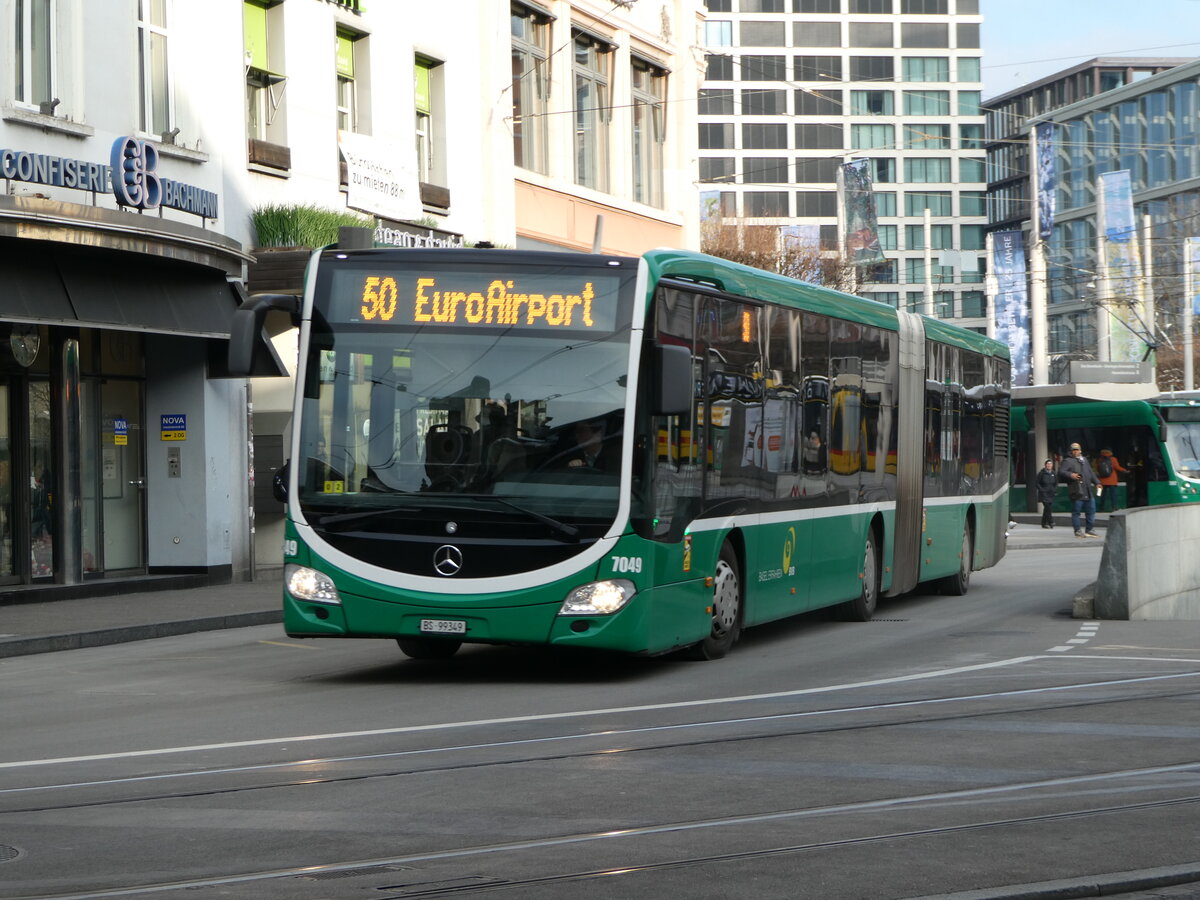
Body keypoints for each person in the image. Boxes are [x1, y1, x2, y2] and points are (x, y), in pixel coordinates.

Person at [1058, 441, 1100, 538]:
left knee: (1091, 511)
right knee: (1076, 512)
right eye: (1073, 450)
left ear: (1080, 451)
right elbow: (1061, 472)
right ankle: (1077, 530)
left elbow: (1091, 472)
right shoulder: (1068, 461)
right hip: (1077, 490)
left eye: (1077, 450)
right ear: (1071, 451)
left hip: (1088, 491)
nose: (1075, 451)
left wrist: (1097, 482)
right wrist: (1070, 474)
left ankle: (1089, 530)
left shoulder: (1084, 460)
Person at [1094, 448, 1127, 512]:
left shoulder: (1099, 459)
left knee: (1102, 495)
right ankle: (1114, 507)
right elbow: (1117, 467)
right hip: (1112, 480)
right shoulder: (1113, 459)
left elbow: (1097, 469)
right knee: (1113, 495)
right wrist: (1124, 470)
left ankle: (1101, 508)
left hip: (1102, 481)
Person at [1036, 458, 1057, 528]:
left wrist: (1054, 489)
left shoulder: (1054, 473)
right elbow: (1037, 483)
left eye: (1050, 464)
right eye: (1048, 464)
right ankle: (1051, 521)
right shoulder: (1041, 473)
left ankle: (1044, 523)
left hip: (1051, 493)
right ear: (1045, 465)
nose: (1049, 465)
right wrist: (1042, 490)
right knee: (1048, 508)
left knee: (1046, 509)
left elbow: (1056, 483)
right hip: (1044, 494)